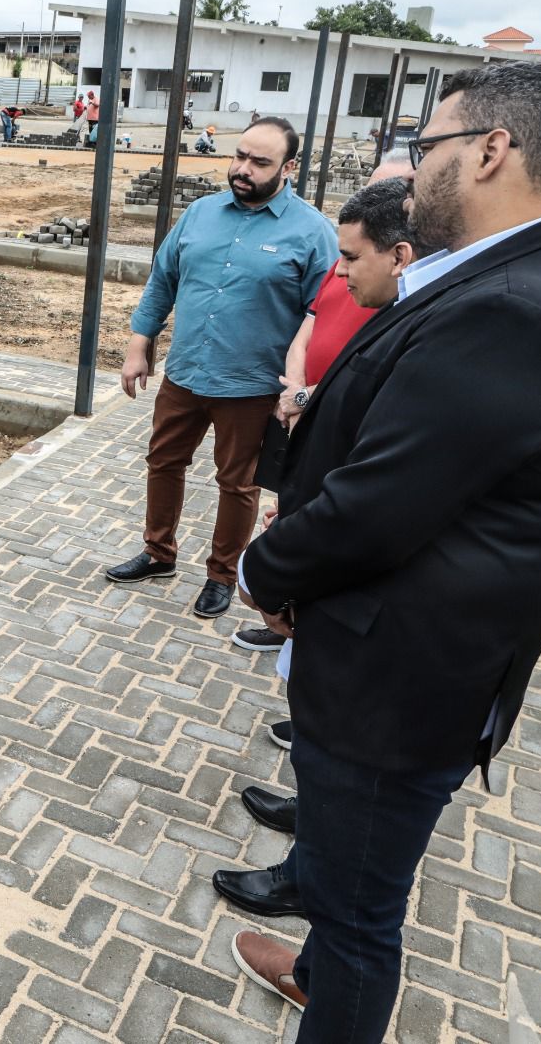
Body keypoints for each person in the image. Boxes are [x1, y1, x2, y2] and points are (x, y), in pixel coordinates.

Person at [230, 61, 541, 1041]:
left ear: (490, 152)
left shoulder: (518, 308)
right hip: (389, 651)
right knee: (344, 877)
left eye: (425, 147)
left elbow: (378, 507)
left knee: (360, 917)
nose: (411, 172)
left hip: (402, 679)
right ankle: (315, 969)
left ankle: (334, 991)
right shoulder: (518, 276)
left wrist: (262, 571)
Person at [213, 174, 430, 919]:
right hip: (317, 524)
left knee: (338, 731)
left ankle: (310, 878)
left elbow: (373, 491)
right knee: (314, 710)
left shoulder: (425, 326)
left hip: (349, 572)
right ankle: (310, 831)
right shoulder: (380, 298)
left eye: (349, 258)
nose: (337, 272)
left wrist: (269, 571)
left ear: (400, 255)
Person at [106, 117, 337, 619]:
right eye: (240, 156)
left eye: (260, 163)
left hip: (252, 386)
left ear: (289, 168)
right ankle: (157, 553)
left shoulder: (314, 234)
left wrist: (300, 388)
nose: (242, 169)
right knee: (164, 462)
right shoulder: (200, 214)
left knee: (237, 483)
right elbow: (162, 280)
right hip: (185, 372)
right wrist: (138, 344)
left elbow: (323, 316)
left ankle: (221, 575)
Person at [231, 151, 414, 658]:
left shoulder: (401, 293)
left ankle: (298, 625)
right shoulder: (354, 261)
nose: (343, 268)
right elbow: (312, 322)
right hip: (306, 405)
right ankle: (288, 621)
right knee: (289, 502)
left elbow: (366, 377)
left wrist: (309, 395)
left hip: (327, 411)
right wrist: (294, 385)